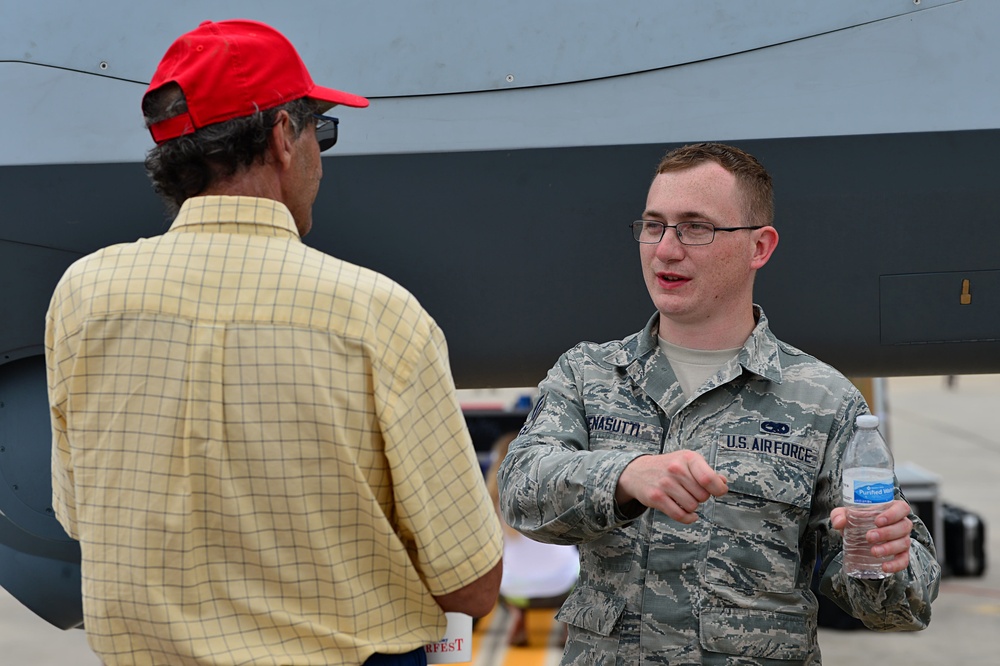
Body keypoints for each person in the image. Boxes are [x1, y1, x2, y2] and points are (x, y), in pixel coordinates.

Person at [45, 19, 502, 666]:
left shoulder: (83, 297)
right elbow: (472, 582)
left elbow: (78, 515)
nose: (322, 153)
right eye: (323, 129)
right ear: (284, 136)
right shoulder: (378, 314)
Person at [497, 142, 940, 664]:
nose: (665, 249)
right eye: (653, 225)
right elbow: (520, 492)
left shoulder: (824, 401)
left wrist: (888, 558)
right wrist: (624, 475)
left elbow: (898, 609)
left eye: (695, 227)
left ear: (759, 247)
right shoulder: (588, 374)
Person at [485, 432, 579, 646]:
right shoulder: (556, 490)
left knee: (499, 565)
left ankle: (519, 616)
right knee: (581, 564)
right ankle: (567, 624)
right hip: (561, 588)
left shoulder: (490, 500)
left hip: (514, 592)